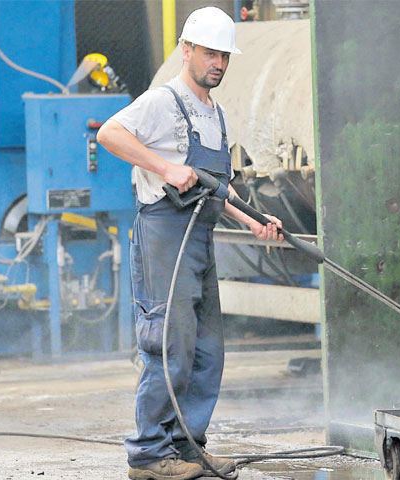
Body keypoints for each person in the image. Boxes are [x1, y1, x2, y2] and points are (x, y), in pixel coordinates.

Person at [97, 7, 283, 480]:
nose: (217, 63)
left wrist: (255, 220)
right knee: (168, 345)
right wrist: (164, 167)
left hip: (200, 239)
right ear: (187, 50)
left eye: (224, 55)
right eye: (209, 53)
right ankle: (147, 453)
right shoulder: (163, 101)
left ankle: (186, 446)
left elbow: (221, 189)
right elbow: (109, 133)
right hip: (164, 236)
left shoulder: (216, 114)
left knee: (205, 351)